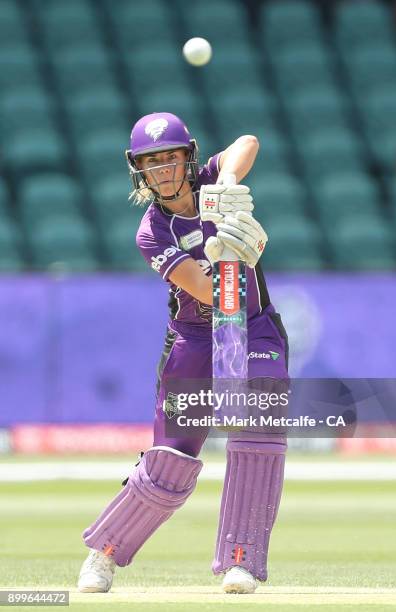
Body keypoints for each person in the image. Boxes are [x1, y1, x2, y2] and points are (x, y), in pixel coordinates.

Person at [77, 112, 289, 595]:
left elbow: (249, 140)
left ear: (188, 157)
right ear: (140, 171)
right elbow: (210, 293)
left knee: (258, 433)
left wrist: (230, 182)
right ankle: (104, 553)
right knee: (172, 458)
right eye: (153, 163)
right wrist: (233, 254)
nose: (165, 170)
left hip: (254, 329)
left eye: (171, 157)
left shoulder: (213, 179)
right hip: (195, 339)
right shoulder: (151, 232)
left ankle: (241, 561)